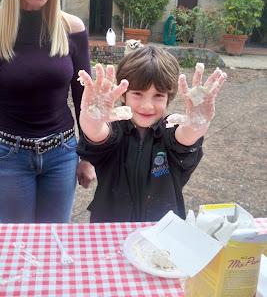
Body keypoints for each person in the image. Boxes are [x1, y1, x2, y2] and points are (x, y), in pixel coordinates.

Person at [0, 0, 95, 223]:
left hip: (62, 156)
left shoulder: (72, 29)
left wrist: (89, 154)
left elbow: (85, 100)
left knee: (55, 243)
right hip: (8, 157)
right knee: (16, 248)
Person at [77, 46, 227, 222]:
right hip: (111, 228)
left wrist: (198, 122)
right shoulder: (115, 129)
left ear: (168, 97)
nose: (147, 105)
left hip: (162, 231)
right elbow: (96, 132)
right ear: (123, 94)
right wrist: (92, 117)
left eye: (158, 95)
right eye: (138, 94)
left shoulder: (171, 130)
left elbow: (187, 137)